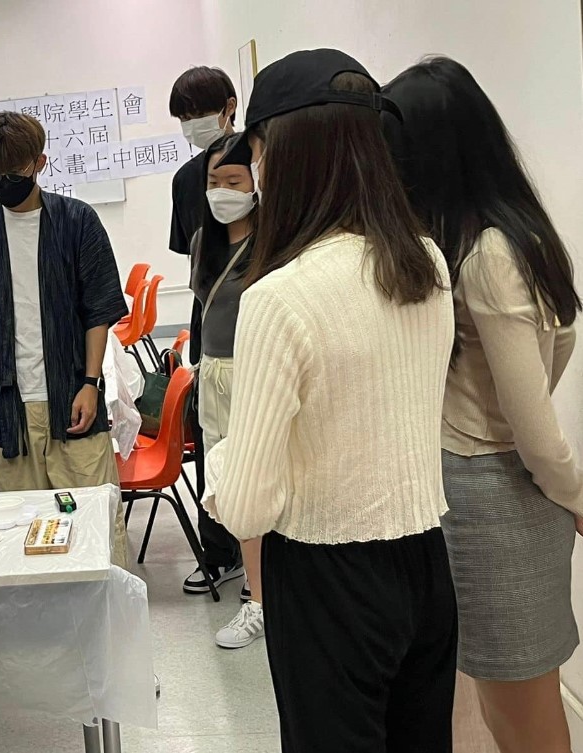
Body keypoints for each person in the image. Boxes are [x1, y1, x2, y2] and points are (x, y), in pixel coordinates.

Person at [205, 49, 457, 752]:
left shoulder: (279, 298)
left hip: (324, 578)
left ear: (280, 153)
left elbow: (250, 505)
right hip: (425, 564)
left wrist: (222, 462)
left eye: (252, 151)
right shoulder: (426, 264)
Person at [385, 56, 583, 753]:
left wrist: (575, 497)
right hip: (495, 491)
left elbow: (534, 433)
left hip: (491, 497)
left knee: (523, 721)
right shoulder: (509, 235)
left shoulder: (484, 254)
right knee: (512, 710)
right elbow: (555, 350)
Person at [0, 112, 130, 567]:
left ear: (40, 162)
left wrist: (90, 382)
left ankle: (105, 628)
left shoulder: (76, 221)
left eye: (16, 171)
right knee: (23, 534)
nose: (4, 182)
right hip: (8, 407)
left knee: (95, 527)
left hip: (71, 397)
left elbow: (98, 312)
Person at [168, 66, 244, 596]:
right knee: (211, 449)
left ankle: (267, 561)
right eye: (184, 117)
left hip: (256, 316)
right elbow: (191, 259)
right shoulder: (185, 181)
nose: (194, 125)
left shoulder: (260, 161)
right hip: (209, 320)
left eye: (200, 112)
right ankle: (219, 552)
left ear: (230, 106)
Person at [186, 134, 264, 649]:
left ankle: (261, 599)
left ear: (257, 183)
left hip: (256, 373)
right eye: (214, 182)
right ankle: (256, 585)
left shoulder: (275, 242)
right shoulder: (203, 241)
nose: (221, 192)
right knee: (227, 486)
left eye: (233, 181)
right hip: (213, 373)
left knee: (258, 485)